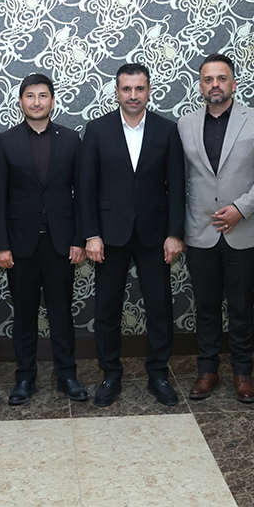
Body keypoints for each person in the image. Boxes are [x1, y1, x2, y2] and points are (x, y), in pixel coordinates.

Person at [78, 63, 186, 407]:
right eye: (127, 89)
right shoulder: (97, 130)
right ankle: (110, 374)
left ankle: (158, 374)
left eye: (139, 89)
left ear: (149, 90)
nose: (133, 95)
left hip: (155, 234)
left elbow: (177, 186)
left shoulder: (167, 130)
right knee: (107, 309)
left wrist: (175, 233)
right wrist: (91, 234)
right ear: (117, 92)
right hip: (109, 235)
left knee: (159, 307)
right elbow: (86, 187)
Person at [179, 54, 254, 403]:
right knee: (205, 308)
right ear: (200, 86)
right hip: (200, 231)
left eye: (221, 79)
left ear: (233, 84)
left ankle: (242, 373)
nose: (215, 85)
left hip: (244, 230)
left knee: (241, 307)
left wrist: (241, 208)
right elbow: (179, 178)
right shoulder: (185, 124)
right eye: (208, 79)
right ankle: (207, 371)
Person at [0, 74, 88, 405]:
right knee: (24, 315)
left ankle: (67, 375)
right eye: (30, 96)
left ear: (52, 101)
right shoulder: (4, 141)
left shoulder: (71, 139)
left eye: (43, 95)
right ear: (20, 102)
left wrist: (79, 239)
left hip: (61, 244)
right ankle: (25, 378)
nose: (36, 102)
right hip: (20, 246)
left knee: (61, 314)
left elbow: (82, 194)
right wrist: (0, 245)